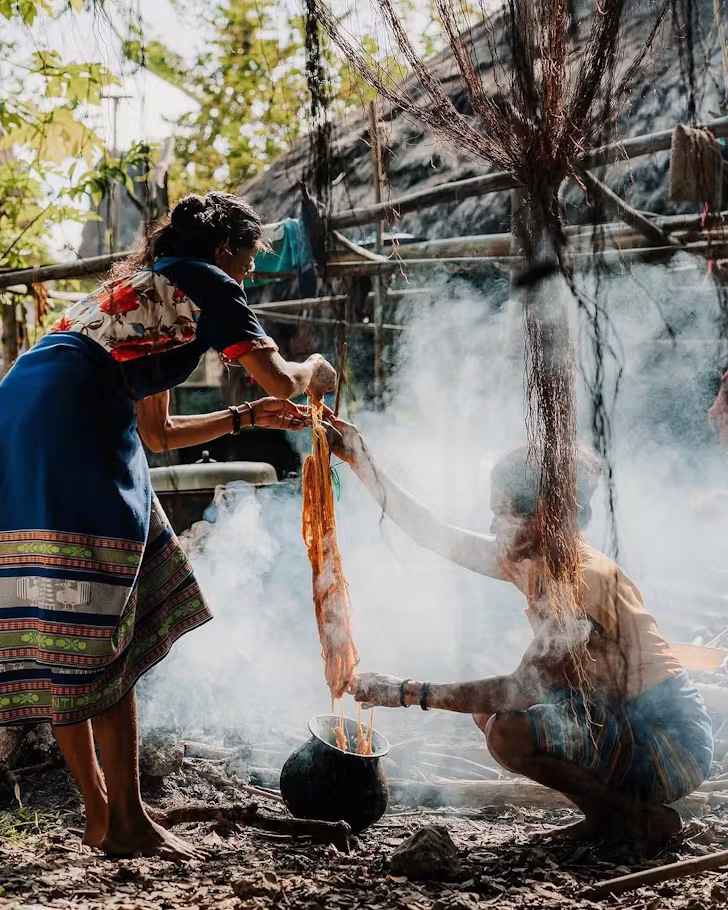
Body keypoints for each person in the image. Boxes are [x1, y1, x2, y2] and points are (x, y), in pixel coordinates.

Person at [0, 191, 335, 860]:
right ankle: (124, 821)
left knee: (70, 617)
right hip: (75, 429)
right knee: (106, 623)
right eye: (248, 258)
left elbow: (158, 433)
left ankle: (105, 815)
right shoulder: (210, 282)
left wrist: (243, 421)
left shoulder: (139, 290)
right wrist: (311, 372)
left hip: (23, 417)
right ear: (223, 250)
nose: (248, 274)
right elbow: (278, 380)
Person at [327, 418, 713, 848]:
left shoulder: (583, 579)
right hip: (620, 722)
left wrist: (404, 692)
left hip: (669, 745)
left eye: (501, 511)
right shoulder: (533, 559)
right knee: (485, 713)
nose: (493, 527)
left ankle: (632, 819)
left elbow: (518, 690)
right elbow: (434, 534)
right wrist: (360, 459)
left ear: (543, 514)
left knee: (506, 729)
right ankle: (610, 817)